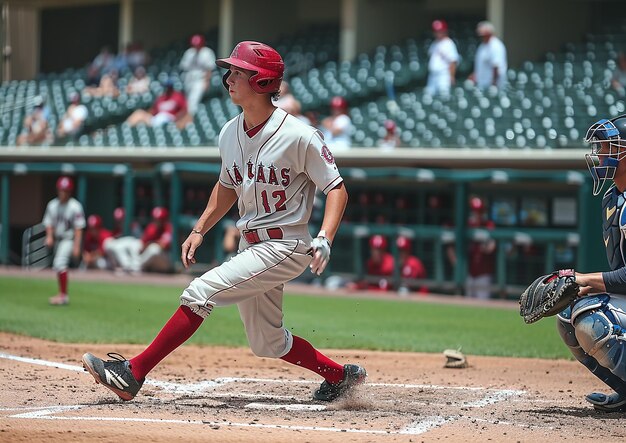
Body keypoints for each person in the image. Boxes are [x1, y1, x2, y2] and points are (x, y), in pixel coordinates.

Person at [82, 41, 366, 404]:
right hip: (253, 243)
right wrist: (200, 228)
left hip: (286, 243)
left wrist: (325, 236)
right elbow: (227, 186)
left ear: (261, 81)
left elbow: (337, 188)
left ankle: (132, 373)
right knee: (268, 343)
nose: (228, 77)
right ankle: (341, 377)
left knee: (200, 292)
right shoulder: (230, 132)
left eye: (237, 72)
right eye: (229, 70)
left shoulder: (300, 135)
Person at [554, 115, 626, 413]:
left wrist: (584, 278)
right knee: (569, 312)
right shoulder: (612, 198)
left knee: (591, 315)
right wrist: (582, 285)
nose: (601, 155)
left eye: (610, 147)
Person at [43, 176, 86, 305]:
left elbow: (79, 228)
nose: (64, 193)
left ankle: (63, 295)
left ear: (70, 191)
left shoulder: (75, 206)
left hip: (69, 238)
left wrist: (77, 246)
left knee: (59, 263)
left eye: (66, 190)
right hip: (58, 239)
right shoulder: (52, 205)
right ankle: (62, 293)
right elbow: (49, 223)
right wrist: (49, 236)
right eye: (62, 190)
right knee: (58, 266)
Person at [447, 197, 496, 299]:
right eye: (475, 211)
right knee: (469, 303)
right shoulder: (466, 225)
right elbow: (450, 245)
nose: (477, 214)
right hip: (469, 273)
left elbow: (493, 246)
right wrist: (456, 261)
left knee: (484, 305)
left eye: (479, 211)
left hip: (484, 273)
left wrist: (487, 248)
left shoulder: (488, 225)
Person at [179, 34, 216, 115]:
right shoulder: (189, 52)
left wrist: (207, 82)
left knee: (193, 99)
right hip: (189, 78)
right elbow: (184, 67)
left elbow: (209, 69)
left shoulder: (207, 52)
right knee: (187, 100)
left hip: (200, 79)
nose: (196, 46)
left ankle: (191, 117)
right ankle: (188, 116)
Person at [470, 21, 507, 90]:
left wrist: (494, 83)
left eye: (483, 35)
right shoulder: (482, 46)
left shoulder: (495, 45)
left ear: (489, 34)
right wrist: (474, 75)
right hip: (482, 84)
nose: (481, 37)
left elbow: (496, 67)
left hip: (493, 86)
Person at [426, 19, 459, 96]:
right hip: (433, 75)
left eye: (440, 31)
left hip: (444, 75)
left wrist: (452, 76)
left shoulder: (448, 43)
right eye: (436, 31)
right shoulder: (435, 43)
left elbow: (453, 61)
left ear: (445, 31)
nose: (438, 33)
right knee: (429, 96)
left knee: (444, 97)